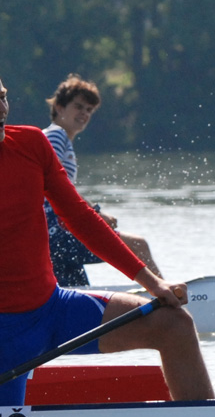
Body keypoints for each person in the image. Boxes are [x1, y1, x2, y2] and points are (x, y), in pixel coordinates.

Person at [0, 59, 214, 417]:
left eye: (2, 97)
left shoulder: (31, 145)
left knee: (175, 325)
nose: (2, 108)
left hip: (56, 307)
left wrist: (152, 284)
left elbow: (81, 218)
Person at [42, 74, 162, 286]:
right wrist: (95, 213)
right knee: (138, 245)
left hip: (49, 238)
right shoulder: (56, 135)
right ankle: (166, 297)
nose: (84, 114)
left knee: (77, 297)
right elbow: (52, 182)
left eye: (89, 110)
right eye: (78, 107)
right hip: (56, 234)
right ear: (59, 107)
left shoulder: (60, 139)